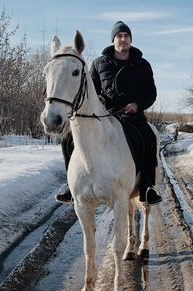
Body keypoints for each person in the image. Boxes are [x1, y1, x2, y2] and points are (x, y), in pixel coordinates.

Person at [56, 21, 162, 205]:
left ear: (131, 39)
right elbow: (89, 90)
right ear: (113, 40)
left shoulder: (142, 64)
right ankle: (70, 186)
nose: (123, 39)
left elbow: (151, 93)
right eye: (119, 36)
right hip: (104, 115)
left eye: (126, 36)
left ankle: (147, 187)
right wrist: (100, 101)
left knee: (149, 138)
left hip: (132, 116)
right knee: (67, 140)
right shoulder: (98, 63)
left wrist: (137, 105)